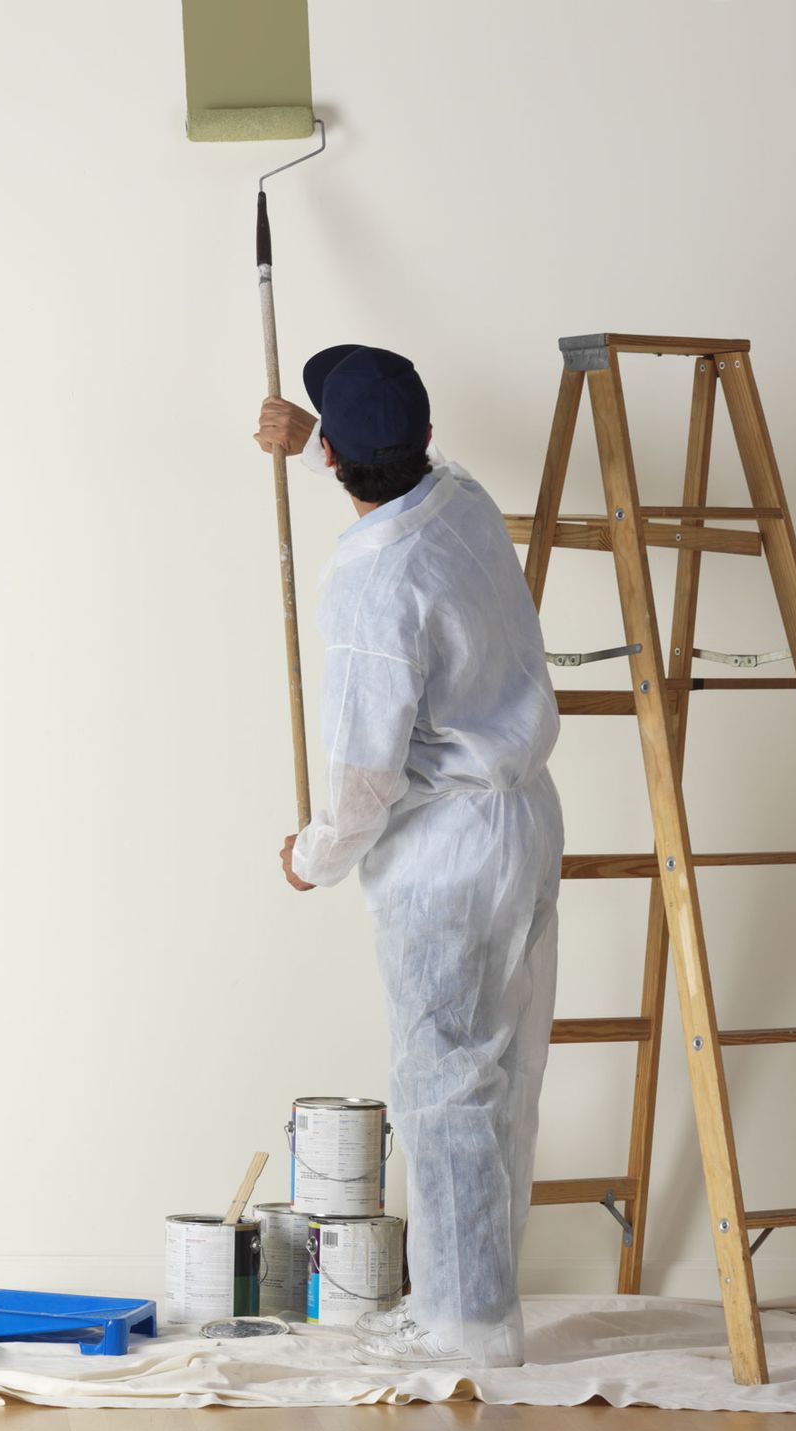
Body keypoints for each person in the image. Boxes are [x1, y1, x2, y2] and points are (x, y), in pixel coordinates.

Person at [255, 346, 564, 1370]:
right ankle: (482, 1301)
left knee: (446, 1082)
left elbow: (365, 778)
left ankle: (468, 1328)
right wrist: (317, 446)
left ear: (341, 454)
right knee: (504, 1069)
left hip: (443, 854)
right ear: (426, 440)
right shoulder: (464, 501)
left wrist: (312, 857)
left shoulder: (369, 586)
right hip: (522, 821)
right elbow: (401, 477)